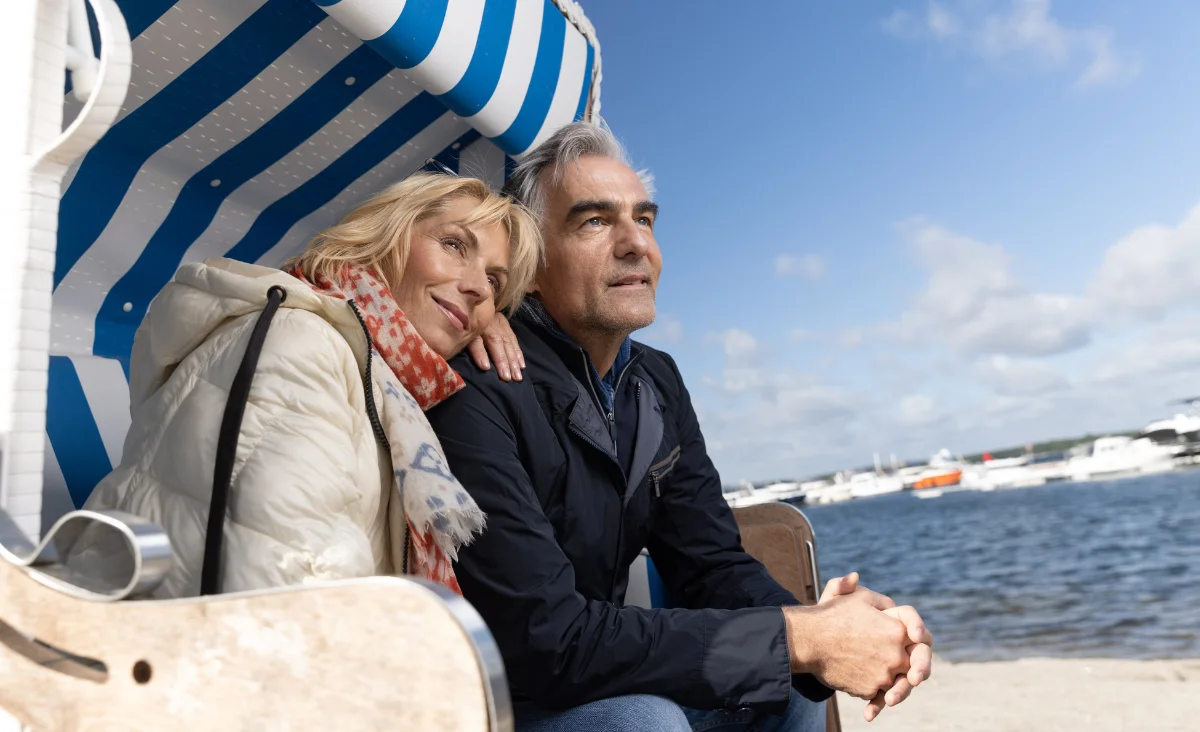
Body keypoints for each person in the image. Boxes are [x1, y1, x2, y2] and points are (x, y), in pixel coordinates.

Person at [426, 123, 934, 731]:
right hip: (503, 701)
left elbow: (710, 561)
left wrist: (823, 631)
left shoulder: (655, 381)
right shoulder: (476, 383)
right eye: (593, 222)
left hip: (594, 670)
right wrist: (798, 637)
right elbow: (548, 640)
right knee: (644, 721)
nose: (634, 242)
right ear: (530, 264)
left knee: (790, 688)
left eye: (643, 219)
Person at [67, 171, 541, 599]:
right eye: (455, 245)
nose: (480, 289)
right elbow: (287, 587)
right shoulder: (303, 343)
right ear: (383, 239)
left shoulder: (371, 375)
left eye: (496, 284)